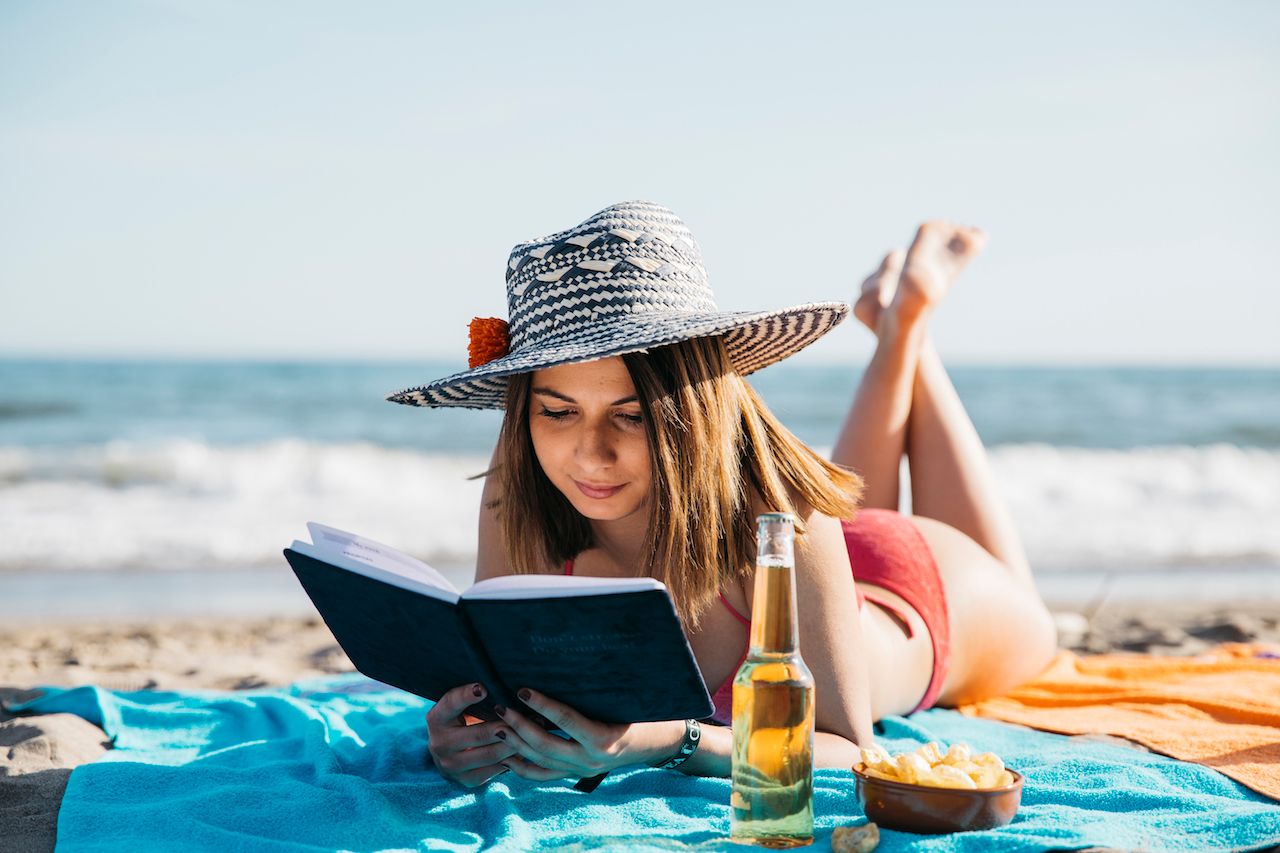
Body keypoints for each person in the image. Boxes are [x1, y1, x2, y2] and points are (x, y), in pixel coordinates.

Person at [387, 200, 1057, 788]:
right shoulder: (519, 492)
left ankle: (909, 322)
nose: (590, 454)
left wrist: (672, 741)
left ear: (694, 408)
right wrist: (464, 736)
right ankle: (894, 321)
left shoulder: (784, 514)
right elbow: (496, 694)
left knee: (1042, 633)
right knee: (821, 502)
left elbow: (850, 750)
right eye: (558, 413)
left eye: (632, 415)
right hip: (809, 558)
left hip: (923, 596)